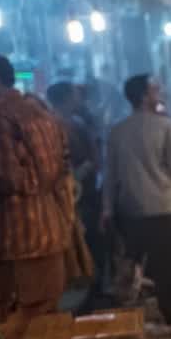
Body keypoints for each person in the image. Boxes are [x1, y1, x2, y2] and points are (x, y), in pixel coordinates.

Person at [0, 52, 72, 339]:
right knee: (46, 327)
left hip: (16, 238)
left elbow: (6, 178)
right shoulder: (41, 112)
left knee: (12, 330)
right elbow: (63, 168)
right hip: (51, 231)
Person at [102, 75, 171, 325]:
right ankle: (169, 320)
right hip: (167, 211)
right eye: (155, 89)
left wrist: (107, 209)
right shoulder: (165, 126)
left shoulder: (116, 131)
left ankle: (144, 323)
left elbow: (110, 176)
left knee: (138, 273)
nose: (160, 93)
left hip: (132, 214)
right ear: (145, 96)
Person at [47, 82, 105, 296]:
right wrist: (85, 169)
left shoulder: (73, 122)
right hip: (76, 194)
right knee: (85, 244)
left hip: (81, 191)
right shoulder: (59, 125)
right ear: (67, 98)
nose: (79, 97)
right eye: (75, 94)